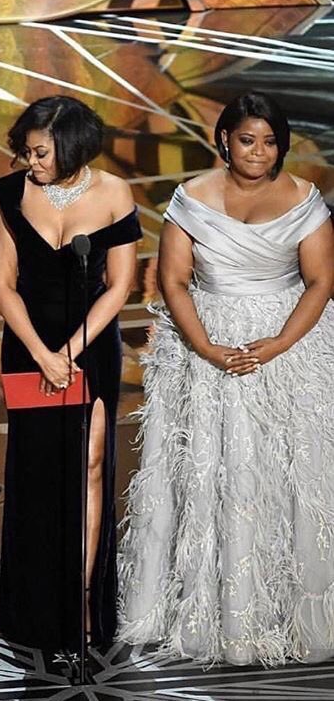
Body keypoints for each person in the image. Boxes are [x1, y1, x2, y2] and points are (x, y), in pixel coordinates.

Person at [118, 91, 334, 666]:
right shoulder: (191, 199)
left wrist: (280, 344)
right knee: (219, 473)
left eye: (270, 142)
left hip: (289, 348)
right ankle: (219, 614)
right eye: (247, 140)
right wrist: (209, 348)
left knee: (290, 477)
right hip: (206, 348)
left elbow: (319, 282)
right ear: (224, 142)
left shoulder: (306, 201)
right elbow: (173, 281)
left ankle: (292, 614)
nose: (259, 152)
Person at [0, 96, 142, 655]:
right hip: (29, 344)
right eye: (27, 152)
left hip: (90, 346)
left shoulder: (114, 194)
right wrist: (42, 354)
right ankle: (38, 613)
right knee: (38, 474)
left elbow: (120, 286)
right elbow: (4, 284)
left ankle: (81, 604)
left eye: (41, 152)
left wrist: (71, 351)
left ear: (72, 144)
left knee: (91, 465)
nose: (31, 162)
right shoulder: (12, 194)